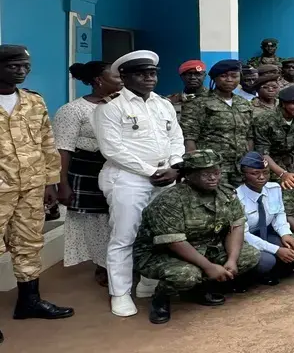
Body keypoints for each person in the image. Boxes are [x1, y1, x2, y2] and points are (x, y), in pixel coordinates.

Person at [94, 49, 183, 318]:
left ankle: (148, 282)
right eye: (141, 74)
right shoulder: (110, 107)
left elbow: (176, 138)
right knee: (124, 236)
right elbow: (113, 149)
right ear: (124, 77)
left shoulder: (163, 104)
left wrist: (175, 166)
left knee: (159, 234)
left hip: (165, 176)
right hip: (128, 180)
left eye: (152, 73)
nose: (149, 78)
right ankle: (119, 293)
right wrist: (152, 171)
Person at [133, 150, 261, 324]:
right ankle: (161, 298)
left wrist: (231, 259)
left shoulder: (225, 193)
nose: (213, 178)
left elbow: (236, 226)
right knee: (186, 274)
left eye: (216, 172)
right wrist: (209, 267)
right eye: (205, 174)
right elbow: (174, 242)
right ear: (189, 175)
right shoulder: (170, 200)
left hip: (206, 246)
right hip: (163, 253)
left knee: (249, 255)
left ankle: (199, 289)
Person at [0, 45, 75, 335]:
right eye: (14, 66)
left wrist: (49, 182)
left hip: (30, 188)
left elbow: (46, 142)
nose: (21, 71)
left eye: (25, 67)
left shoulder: (33, 102)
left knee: (29, 244)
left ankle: (29, 301)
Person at [54, 61, 122, 287]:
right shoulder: (73, 110)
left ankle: (121, 263)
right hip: (88, 171)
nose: (120, 79)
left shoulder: (125, 105)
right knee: (97, 221)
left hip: (120, 169)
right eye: (115, 76)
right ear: (98, 80)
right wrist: (62, 184)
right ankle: (104, 265)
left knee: (120, 218)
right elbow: (63, 149)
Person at [234, 152, 294, 284]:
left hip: (266, 233)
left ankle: (278, 269)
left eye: (266, 172)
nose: (262, 177)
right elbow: (244, 235)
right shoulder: (236, 198)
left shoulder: (274, 189)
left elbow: (279, 214)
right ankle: (244, 280)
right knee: (267, 261)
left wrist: (286, 234)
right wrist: (276, 250)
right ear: (243, 175)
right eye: (255, 173)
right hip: (245, 239)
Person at [180, 59, 254, 189]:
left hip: (240, 167)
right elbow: (189, 137)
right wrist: (194, 167)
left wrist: (249, 161)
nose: (229, 80)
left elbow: (249, 135)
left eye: (234, 76)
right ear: (214, 78)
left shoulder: (244, 103)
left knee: (240, 204)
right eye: (224, 76)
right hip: (213, 167)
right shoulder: (199, 103)